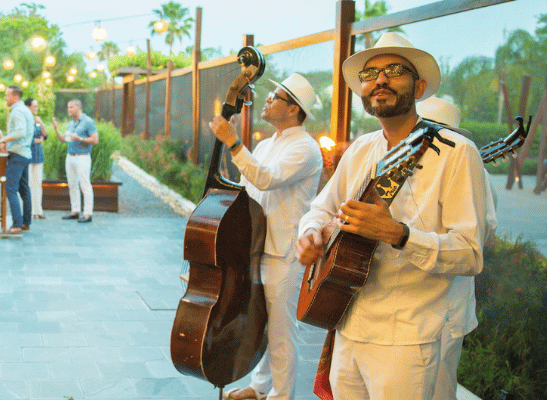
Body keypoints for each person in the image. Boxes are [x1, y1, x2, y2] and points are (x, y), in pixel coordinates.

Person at [295, 33, 493, 400]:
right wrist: (310, 235)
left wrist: (399, 234)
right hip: (348, 320)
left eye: (394, 71)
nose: (380, 80)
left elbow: (470, 253)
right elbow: (321, 208)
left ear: (418, 87)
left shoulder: (456, 154)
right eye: (370, 74)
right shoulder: (362, 149)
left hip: (409, 336)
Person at [210, 73, 323, 400]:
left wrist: (232, 142)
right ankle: (259, 388)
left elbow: (265, 179)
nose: (267, 100)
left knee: (282, 330)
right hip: (257, 246)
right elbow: (251, 191)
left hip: (283, 251)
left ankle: (281, 395)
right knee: (263, 323)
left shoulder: (305, 148)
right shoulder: (268, 143)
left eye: (274, 97)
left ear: (293, 110)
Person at [416, 96, 498, 400]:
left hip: (447, 304)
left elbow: (477, 240)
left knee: (438, 389)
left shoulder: (469, 166)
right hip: (413, 306)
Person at [0, 85, 34, 236]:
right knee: (24, 189)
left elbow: (20, 132)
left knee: (10, 189)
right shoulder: (25, 110)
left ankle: (16, 225)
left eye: (7, 95)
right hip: (25, 154)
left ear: (15, 97)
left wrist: (4, 138)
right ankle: (25, 222)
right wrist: (4, 139)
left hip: (17, 155)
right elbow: (22, 133)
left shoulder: (17, 111)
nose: (5, 98)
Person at [50, 99, 98, 223]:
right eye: (68, 107)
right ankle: (75, 211)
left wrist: (80, 138)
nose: (69, 110)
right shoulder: (70, 124)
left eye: (71, 107)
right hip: (70, 156)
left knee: (84, 185)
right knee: (72, 185)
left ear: (78, 107)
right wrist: (56, 129)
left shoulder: (88, 122)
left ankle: (88, 214)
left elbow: (95, 140)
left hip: (82, 157)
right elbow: (63, 140)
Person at [25, 97, 48, 220]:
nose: (36, 108)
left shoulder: (37, 120)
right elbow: (26, 138)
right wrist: (38, 140)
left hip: (38, 155)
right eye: (35, 106)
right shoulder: (25, 119)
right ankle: (30, 210)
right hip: (28, 155)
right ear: (28, 107)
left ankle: (38, 210)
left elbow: (46, 135)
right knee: (28, 183)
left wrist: (41, 123)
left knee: (37, 183)